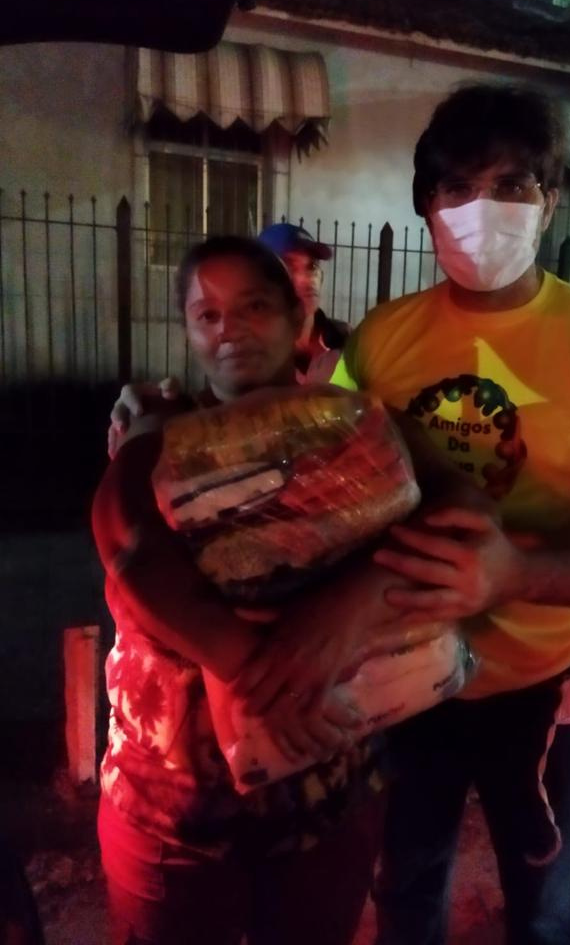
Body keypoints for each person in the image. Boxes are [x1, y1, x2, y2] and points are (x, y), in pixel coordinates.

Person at [330, 84, 570, 945]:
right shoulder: (379, 339)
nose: (482, 208)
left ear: (550, 200)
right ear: (426, 207)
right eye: (457, 187)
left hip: (548, 687)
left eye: (513, 184)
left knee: (545, 906)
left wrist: (515, 573)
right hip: (404, 680)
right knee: (404, 886)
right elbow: (323, 470)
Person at [92, 236, 391, 945]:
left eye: (253, 307)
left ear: (295, 315)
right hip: (174, 816)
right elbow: (131, 553)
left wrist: (365, 592)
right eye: (208, 314)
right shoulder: (157, 439)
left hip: (327, 797)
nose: (230, 330)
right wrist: (262, 674)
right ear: (189, 331)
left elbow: (426, 537)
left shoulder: (348, 435)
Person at [259, 222, 350, 382]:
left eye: (312, 266)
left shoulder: (346, 339)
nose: (306, 280)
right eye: (289, 267)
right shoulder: (252, 355)